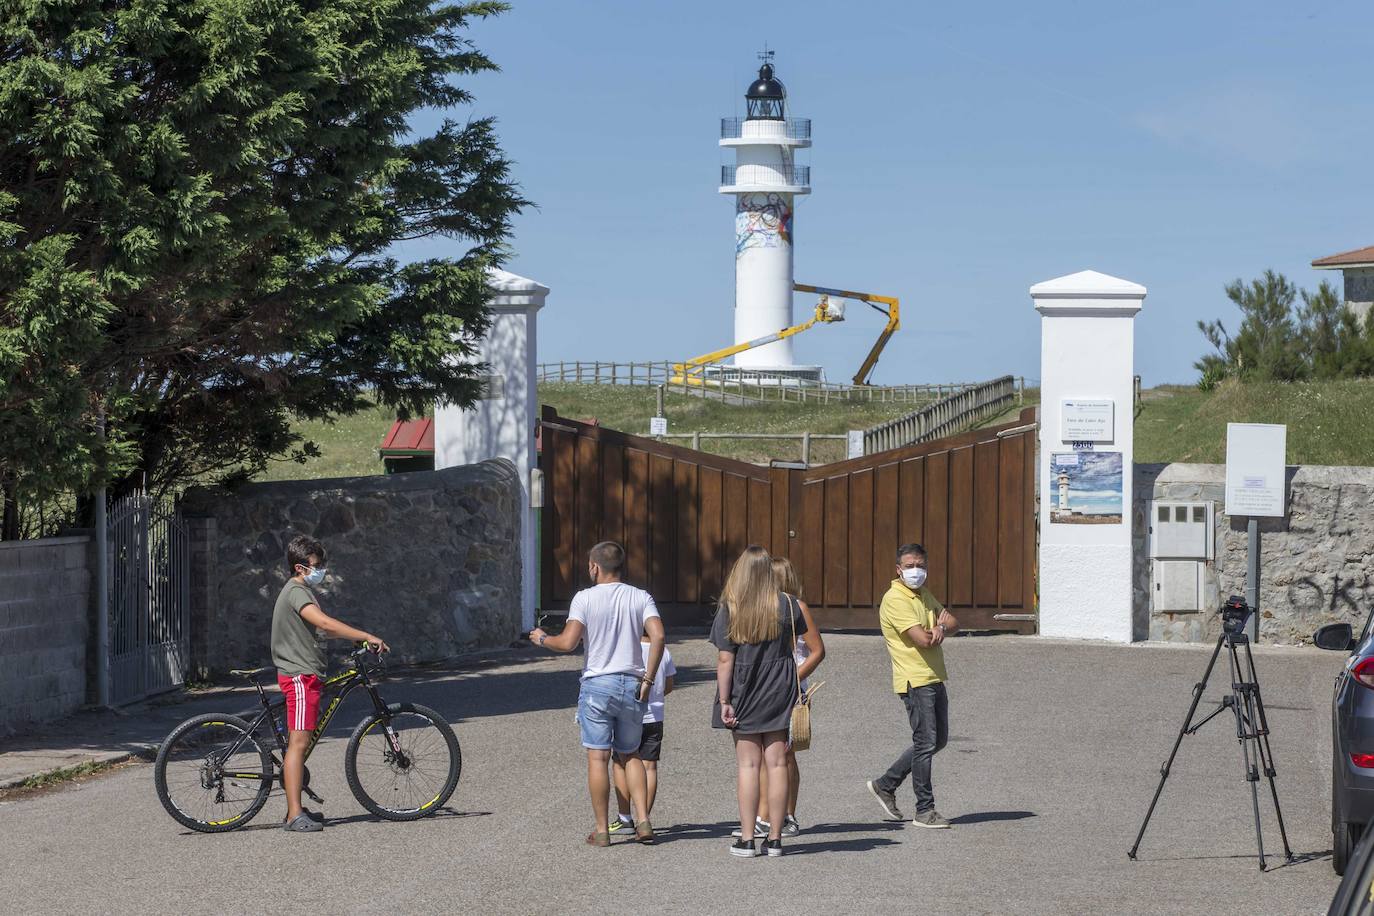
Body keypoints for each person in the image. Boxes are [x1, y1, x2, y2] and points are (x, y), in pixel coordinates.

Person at [529, 541, 666, 847]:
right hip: (631, 682)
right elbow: (658, 635)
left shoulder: (584, 598)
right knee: (631, 754)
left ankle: (603, 829)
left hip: (597, 685)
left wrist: (541, 639)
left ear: (594, 566)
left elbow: (567, 643)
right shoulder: (640, 597)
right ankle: (643, 820)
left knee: (598, 757)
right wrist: (649, 677)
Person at [272, 534, 389, 833]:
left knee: (300, 743)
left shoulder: (302, 592)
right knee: (298, 744)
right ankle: (294, 815)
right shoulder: (297, 591)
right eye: (317, 565)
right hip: (299, 676)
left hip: (306, 674)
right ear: (300, 568)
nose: (321, 570)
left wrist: (358, 637)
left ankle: (295, 807)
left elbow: (325, 630)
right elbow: (323, 623)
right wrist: (365, 634)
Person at [712, 545, 821, 858]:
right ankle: (775, 838)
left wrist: (724, 701)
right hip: (781, 688)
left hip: (743, 689)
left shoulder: (731, 606)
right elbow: (811, 647)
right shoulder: (788, 604)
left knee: (748, 764)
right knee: (776, 764)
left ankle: (747, 839)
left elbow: (724, 658)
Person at [866, 542, 959, 829]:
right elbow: (922, 639)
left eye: (920, 566)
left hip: (933, 676)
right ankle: (925, 810)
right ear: (898, 569)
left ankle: (886, 784)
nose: (915, 571)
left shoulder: (923, 594)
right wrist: (937, 629)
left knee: (936, 741)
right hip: (914, 680)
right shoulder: (896, 599)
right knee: (925, 742)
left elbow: (953, 621)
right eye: (909, 566)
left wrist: (941, 628)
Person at [743, 557, 824, 839]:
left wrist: (793, 680)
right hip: (773, 687)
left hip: (793, 687)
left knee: (784, 755)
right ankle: (768, 814)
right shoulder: (767, 608)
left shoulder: (795, 607)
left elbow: (817, 651)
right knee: (773, 755)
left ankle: (785, 815)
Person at [609, 627, 676, 833]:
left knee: (621, 762)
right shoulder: (663, 651)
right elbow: (669, 685)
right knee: (649, 767)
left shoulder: (628, 650)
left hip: (629, 715)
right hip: (655, 716)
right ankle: (643, 818)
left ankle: (624, 817)